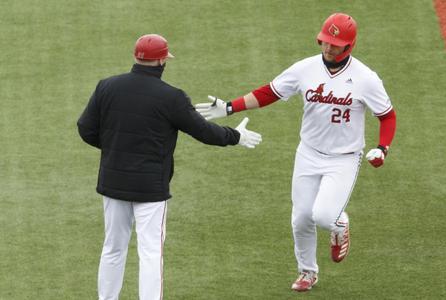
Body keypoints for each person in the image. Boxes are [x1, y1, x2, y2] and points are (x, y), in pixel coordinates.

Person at [195, 13, 397, 292]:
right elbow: (270, 92)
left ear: (349, 46)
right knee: (301, 217)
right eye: (325, 42)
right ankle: (307, 272)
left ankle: (340, 224)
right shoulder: (305, 68)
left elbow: (387, 116)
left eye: (335, 44)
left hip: (344, 158)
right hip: (309, 153)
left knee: (324, 216)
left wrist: (382, 149)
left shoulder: (365, 78)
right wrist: (230, 107)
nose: (328, 48)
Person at [77, 34, 262, 300]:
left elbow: (86, 129)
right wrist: (236, 136)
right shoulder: (171, 97)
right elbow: (204, 131)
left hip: (113, 182)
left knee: (113, 248)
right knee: (151, 252)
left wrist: (114, 150)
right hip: (150, 188)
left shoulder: (107, 86)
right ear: (163, 59)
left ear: (135, 56)